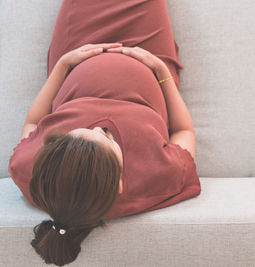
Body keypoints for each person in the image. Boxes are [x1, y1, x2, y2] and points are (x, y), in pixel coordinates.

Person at [7, 0, 201, 266]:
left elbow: (32, 124)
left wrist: (64, 64)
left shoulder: (38, 174)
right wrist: (159, 70)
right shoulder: (156, 176)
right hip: (148, 50)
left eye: (82, 131)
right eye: (108, 138)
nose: (100, 127)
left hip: (78, 47)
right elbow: (183, 130)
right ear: (120, 183)